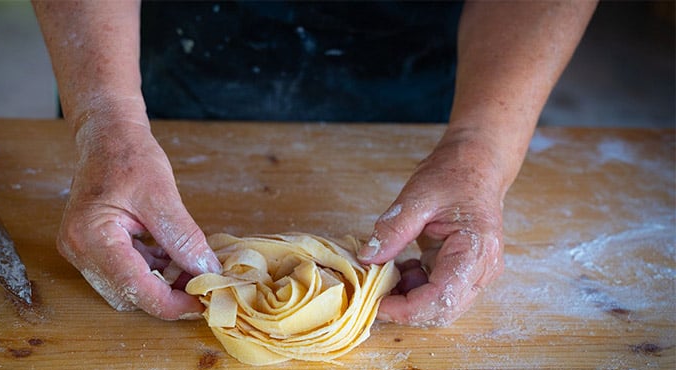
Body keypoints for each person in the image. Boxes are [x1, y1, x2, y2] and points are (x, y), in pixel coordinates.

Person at [31, 1, 596, 326]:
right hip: (150, 53)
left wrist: (480, 146)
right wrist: (109, 121)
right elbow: (110, 116)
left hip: (424, 67)